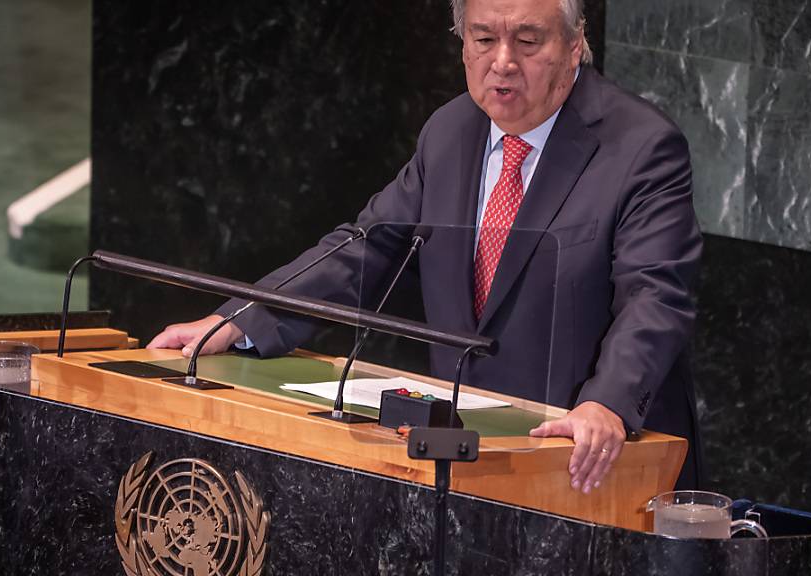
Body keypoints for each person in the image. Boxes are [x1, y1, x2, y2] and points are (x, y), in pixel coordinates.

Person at [149, 0, 703, 492]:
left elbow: (654, 294)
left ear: (576, 42)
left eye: (529, 40)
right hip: (465, 457)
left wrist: (606, 402)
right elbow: (367, 248)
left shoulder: (641, 147)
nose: (503, 61)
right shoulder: (452, 131)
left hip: (589, 464)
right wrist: (247, 316)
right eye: (484, 39)